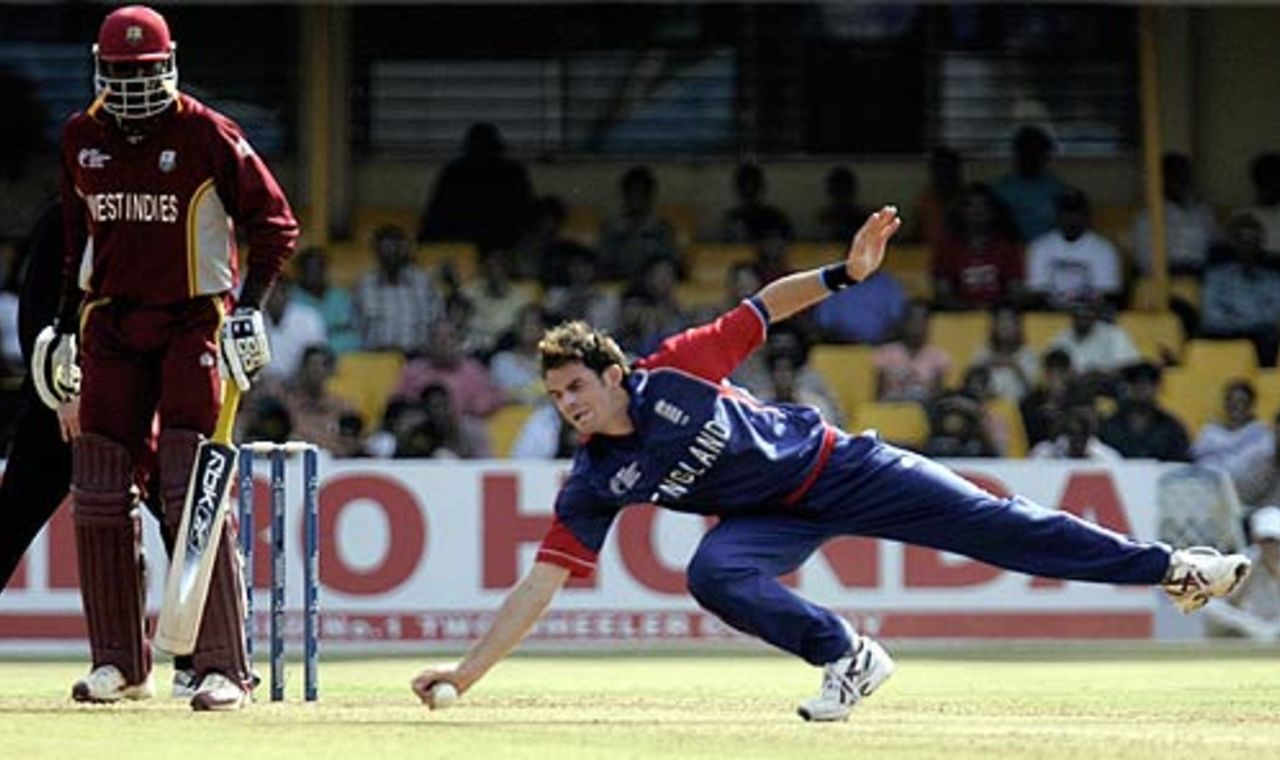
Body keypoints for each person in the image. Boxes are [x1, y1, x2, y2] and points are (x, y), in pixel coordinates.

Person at [409, 206, 1252, 721]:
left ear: (614, 370)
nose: (569, 405)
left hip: (838, 466)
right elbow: (541, 583)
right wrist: (468, 673)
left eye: (576, 387)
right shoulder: (596, 477)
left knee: (997, 526)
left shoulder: (675, 367)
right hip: (765, 522)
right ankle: (847, 656)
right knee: (713, 574)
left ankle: (1178, 567)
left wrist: (844, 276)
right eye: (556, 398)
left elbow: (764, 307)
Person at [34, 5, 297, 710]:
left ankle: (222, 668)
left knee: (189, 481)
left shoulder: (209, 133)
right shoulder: (81, 136)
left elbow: (276, 227)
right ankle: (119, 662)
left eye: (145, 72)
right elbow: (74, 245)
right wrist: (62, 328)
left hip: (192, 321)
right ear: (98, 70)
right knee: (97, 483)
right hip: (111, 323)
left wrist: (248, 309)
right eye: (120, 72)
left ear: (170, 65)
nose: (132, 85)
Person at [417, 122, 534, 251]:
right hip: (491, 245)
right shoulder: (513, 173)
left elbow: (433, 218)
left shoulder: (453, 172)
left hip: (471, 245)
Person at [1025, 188, 1123, 310]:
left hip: (1090, 318)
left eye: (1077, 213)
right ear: (1056, 216)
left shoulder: (1104, 249)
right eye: (1066, 213)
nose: (1071, 219)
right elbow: (1036, 294)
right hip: (1050, 317)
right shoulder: (1040, 247)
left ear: (1087, 216)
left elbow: (1108, 296)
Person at [1131, 152, 1218, 276]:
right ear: (1162, 179)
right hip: (1166, 280)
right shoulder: (1148, 217)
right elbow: (1145, 263)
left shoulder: (1202, 212)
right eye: (1173, 174)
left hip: (1203, 277)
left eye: (1184, 175)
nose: (1180, 180)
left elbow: (1216, 244)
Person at [1203, 506, 1280, 641]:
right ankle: (1265, 635)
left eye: (1274, 540)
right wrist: (1251, 574)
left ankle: (1267, 635)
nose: (1271, 546)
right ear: (1257, 539)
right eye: (1266, 540)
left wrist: (1274, 570)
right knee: (1211, 608)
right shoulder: (1246, 559)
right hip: (1252, 622)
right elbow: (1233, 603)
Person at [598, 165, 680, 282]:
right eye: (633, 193)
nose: (637, 199)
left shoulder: (662, 229)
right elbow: (603, 264)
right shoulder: (611, 228)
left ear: (650, 197)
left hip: (653, 287)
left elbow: (672, 264)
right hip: (619, 287)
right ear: (625, 196)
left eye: (642, 194)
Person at [1098, 362, 1190, 462]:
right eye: (1135, 383)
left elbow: (1181, 466)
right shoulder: (1109, 426)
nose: (1142, 388)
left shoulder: (1172, 428)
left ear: (1157, 387)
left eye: (1149, 383)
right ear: (1127, 387)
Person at [993, 125, 1068, 242]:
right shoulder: (1000, 190)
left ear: (1045, 156)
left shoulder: (1058, 190)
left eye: (1036, 152)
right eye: (1025, 151)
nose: (1030, 157)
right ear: (1016, 154)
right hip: (1011, 253)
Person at [720, 163, 793, 243]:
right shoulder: (732, 220)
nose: (749, 190)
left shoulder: (777, 217)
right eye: (744, 187)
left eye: (753, 186)